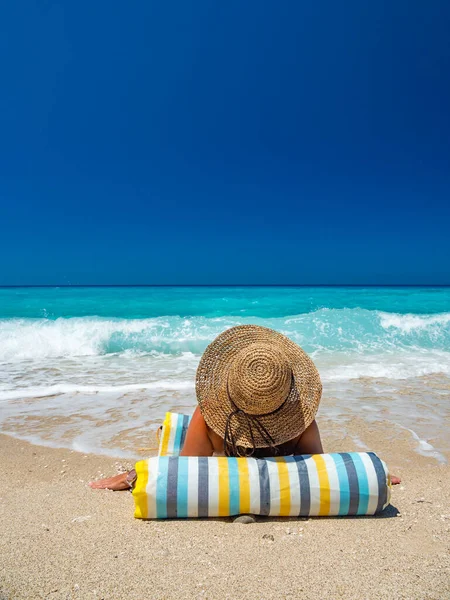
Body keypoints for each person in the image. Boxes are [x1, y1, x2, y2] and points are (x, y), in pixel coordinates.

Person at [90, 325, 400, 491]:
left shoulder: (209, 419)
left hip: (218, 440)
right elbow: (321, 469)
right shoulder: (302, 423)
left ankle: (170, 430)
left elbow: (181, 471)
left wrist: (136, 475)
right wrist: (371, 473)